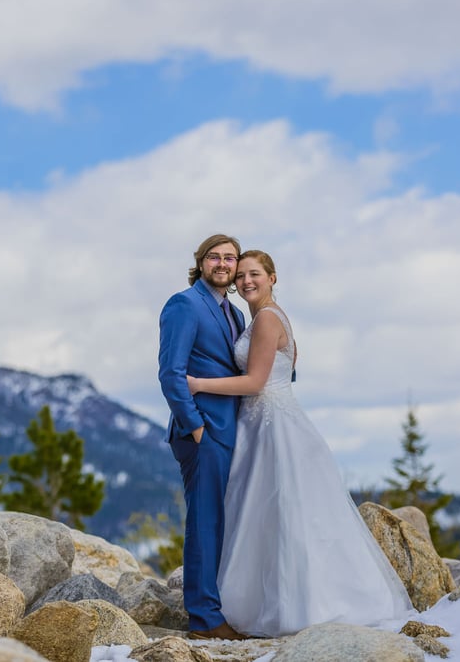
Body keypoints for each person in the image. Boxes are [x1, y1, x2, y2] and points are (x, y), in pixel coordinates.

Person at [187, 250, 414, 638]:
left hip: (273, 427)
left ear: (273, 277)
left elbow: (257, 382)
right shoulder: (268, 318)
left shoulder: (266, 320)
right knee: (282, 516)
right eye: (240, 276)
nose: (245, 281)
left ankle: (293, 607)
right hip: (272, 420)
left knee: (280, 515)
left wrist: (198, 384)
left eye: (254, 274)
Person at [157, 234, 248, 641]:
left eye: (230, 258)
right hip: (203, 432)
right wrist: (195, 426)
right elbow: (171, 373)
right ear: (201, 262)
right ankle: (205, 619)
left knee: (224, 521)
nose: (223, 264)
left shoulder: (236, 314)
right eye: (215, 257)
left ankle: (219, 605)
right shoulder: (184, 304)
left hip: (232, 430)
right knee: (205, 521)